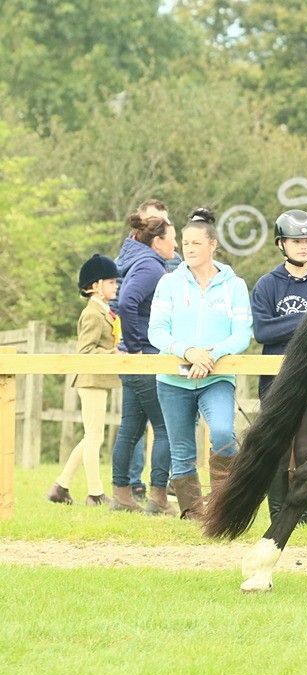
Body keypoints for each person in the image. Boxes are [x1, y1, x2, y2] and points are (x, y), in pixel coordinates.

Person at [148, 207, 252, 520]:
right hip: (173, 379)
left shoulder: (234, 285)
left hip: (217, 377)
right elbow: (156, 332)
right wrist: (188, 351)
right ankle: (194, 515)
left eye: (196, 243)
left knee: (222, 434)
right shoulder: (169, 283)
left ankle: (222, 506)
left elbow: (242, 334)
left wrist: (212, 355)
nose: (189, 248)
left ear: (212, 245)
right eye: (185, 242)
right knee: (182, 452)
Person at [252, 210, 307, 521]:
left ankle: (302, 512)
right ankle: (277, 513)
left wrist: (286, 323)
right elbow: (262, 331)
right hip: (276, 378)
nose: (303, 246)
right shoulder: (267, 284)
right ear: (281, 244)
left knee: (305, 448)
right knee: (278, 448)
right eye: (296, 241)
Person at [113, 199, 180, 502]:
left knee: (131, 427)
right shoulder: (151, 267)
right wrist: (138, 348)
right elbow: (126, 302)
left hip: (134, 357)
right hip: (146, 358)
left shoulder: (143, 262)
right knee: (165, 428)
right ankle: (158, 497)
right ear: (157, 242)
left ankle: (122, 495)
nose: (176, 246)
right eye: (173, 240)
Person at [46, 255, 121, 506]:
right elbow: (86, 351)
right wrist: (114, 354)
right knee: (94, 437)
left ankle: (61, 486)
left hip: (98, 380)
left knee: (91, 435)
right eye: (111, 282)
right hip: (90, 379)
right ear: (96, 285)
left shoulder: (104, 312)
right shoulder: (91, 314)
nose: (116, 286)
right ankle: (95, 493)